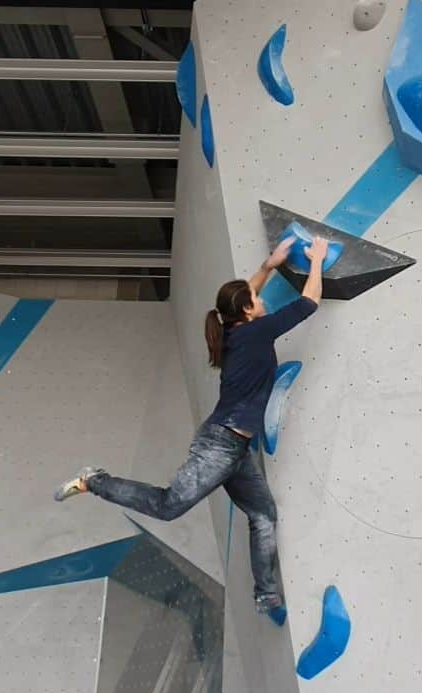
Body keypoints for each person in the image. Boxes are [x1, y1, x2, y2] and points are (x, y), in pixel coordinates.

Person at [54, 234, 329, 615]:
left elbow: (241, 297)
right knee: (168, 506)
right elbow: (309, 302)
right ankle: (94, 480)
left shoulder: (235, 327)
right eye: (257, 301)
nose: (262, 300)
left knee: (263, 516)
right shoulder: (252, 332)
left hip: (233, 449)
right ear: (248, 313)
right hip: (220, 446)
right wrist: (317, 260)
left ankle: (265, 594)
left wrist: (269, 266)